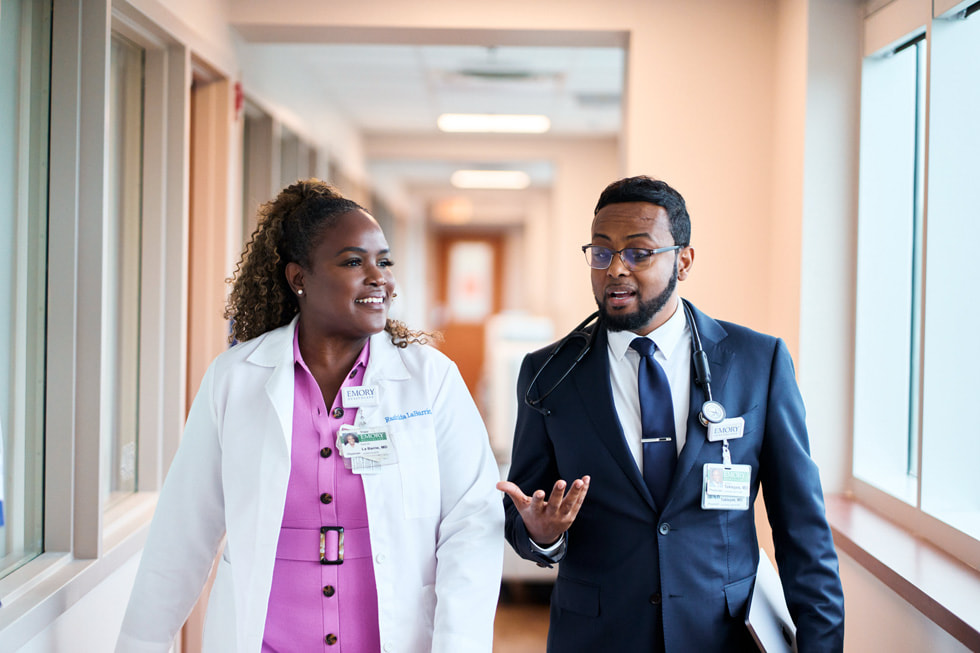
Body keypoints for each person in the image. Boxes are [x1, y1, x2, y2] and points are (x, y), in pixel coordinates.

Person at [117, 179, 503, 652]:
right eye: (353, 261)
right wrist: (140, 643)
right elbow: (183, 531)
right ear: (299, 277)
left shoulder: (430, 380)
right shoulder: (236, 380)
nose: (378, 276)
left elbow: (472, 525)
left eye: (383, 262)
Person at [497, 176, 844, 652]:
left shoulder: (755, 362)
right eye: (601, 253)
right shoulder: (549, 374)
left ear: (683, 261)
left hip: (719, 637)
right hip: (597, 636)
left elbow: (802, 529)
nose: (615, 268)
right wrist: (541, 535)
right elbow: (522, 515)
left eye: (638, 252)